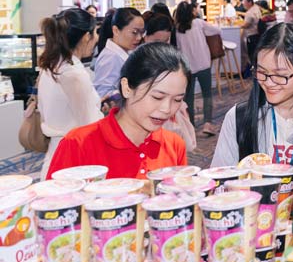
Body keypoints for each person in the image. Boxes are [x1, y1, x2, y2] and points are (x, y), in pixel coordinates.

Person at [46, 43, 192, 180]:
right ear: (127, 88)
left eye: (177, 100)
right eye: (157, 97)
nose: (167, 109)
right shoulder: (78, 144)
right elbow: (54, 204)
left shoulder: (174, 145)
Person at [212, 23, 293, 205]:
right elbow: (218, 184)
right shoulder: (240, 118)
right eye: (261, 72)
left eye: (280, 75)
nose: (269, 82)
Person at [36, 8, 104, 176]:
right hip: (74, 158)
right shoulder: (73, 73)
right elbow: (89, 124)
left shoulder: (52, 66)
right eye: (95, 32)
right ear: (86, 37)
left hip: (56, 153)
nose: (96, 38)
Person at [174, 1, 221, 134]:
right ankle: (207, 123)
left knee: (188, 97)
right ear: (191, 12)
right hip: (203, 64)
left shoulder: (177, 29)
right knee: (207, 94)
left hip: (187, 67)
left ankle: (190, 125)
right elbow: (217, 30)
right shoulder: (199, 23)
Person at [93, 7, 144, 101]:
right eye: (134, 32)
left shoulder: (126, 51)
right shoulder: (110, 58)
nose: (139, 37)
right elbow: (103, 94)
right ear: (116, 30)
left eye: (142, 32)